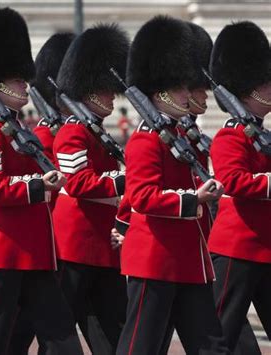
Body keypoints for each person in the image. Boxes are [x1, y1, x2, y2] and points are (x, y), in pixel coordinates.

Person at [0, 7, 83, 355]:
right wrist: (38, 186)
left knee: (63, 343)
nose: (25, 85)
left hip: (33, 252)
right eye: (17, 81)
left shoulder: (18, 130)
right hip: (0, 251)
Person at [115, 16, 229, 355]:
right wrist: (195, 199)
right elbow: (142, 197)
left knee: (211, 346)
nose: (187, 94)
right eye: (180, 88)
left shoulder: (182, 137)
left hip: (187, 260)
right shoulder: (144, 141)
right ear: (161, 92)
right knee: (141, 346)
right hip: (155, 259)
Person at [52, 24, 129, 354]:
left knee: (112, 331)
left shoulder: (97, 132)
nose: (112, 95)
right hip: (77, 245)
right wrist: (127, 179)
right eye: (106, 89)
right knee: (61, 331)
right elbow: (79, 184)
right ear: (89, 91)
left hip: (103, 244)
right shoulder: (72, 133)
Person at [7, 31, 76, 355]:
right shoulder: (44, 134)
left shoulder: (74, 130)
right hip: (53, 242)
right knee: (23, 331)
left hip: (61, 244)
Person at [207, 21, 271, 353]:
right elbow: (233, 181)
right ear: (249, 90)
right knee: (221, 334)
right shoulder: (231, 135)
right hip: (237, 248)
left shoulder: (263, 135)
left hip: (265, 246)